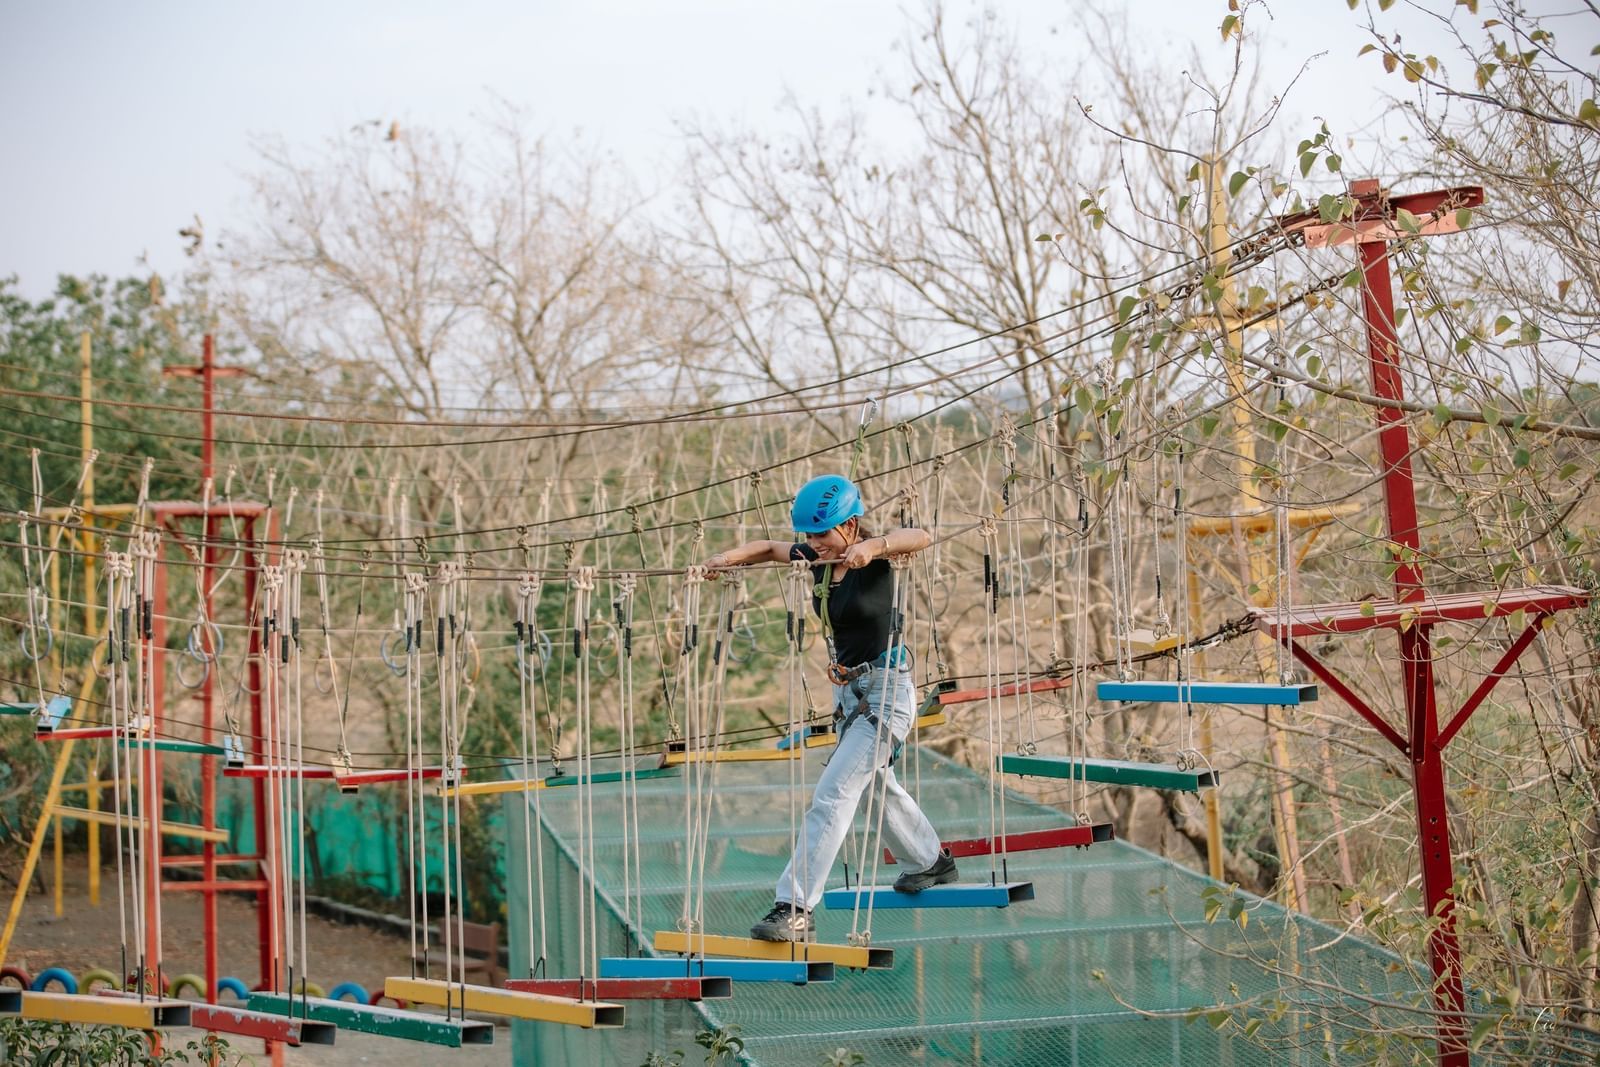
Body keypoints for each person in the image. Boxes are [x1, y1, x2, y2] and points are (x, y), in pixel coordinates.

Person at [703, 473, 956, 943]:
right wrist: (726, 559)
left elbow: (920, 536)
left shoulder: (876, 561)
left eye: (823, 533)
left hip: (887, 696)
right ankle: (929, 861)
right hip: (851, 697)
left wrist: (873, 547)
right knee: (876, 786)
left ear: (850, 525)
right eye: (811, 535)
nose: (815, 543)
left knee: (834, 794)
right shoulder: (817, 559)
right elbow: (767, 547)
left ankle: (795, 906)